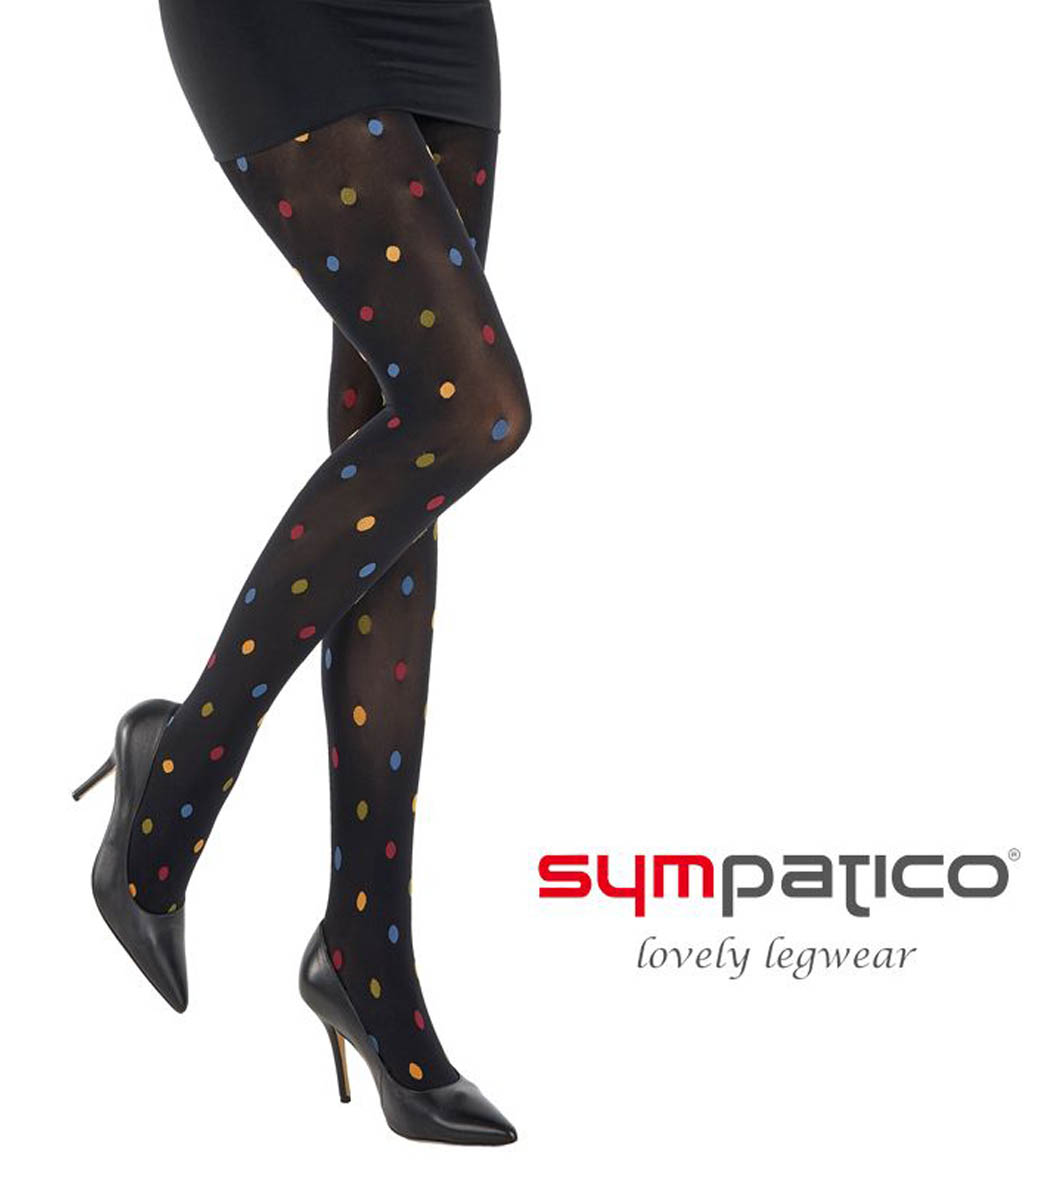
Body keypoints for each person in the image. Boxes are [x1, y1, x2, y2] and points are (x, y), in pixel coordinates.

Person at [73, 0, 529, 1145]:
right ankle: (180, 772)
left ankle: (366, 948)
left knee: (402, 443)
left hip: (439, 23)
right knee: (471, 411)